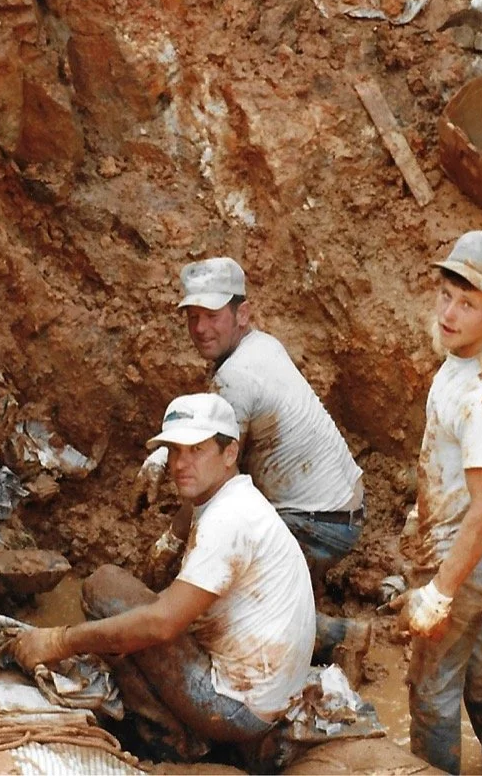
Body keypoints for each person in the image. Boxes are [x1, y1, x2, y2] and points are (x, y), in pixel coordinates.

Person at [9, 393, 315, 766]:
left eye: (196, 450)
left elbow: (162, 624)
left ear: (230, 453)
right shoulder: (237, 499)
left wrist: (59, 640)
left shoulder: (227, 519)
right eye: (174, 451)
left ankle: (171, 744)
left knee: (105, 589)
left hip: (236, 707)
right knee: (133, 612)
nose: (180, 464)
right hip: (267, 693)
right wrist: (171, 542)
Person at [140, 257, 370, 680]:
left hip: (319, 521)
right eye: (192, 317)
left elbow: (216, 477)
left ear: (241, 314)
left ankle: (340, 637)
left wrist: (173, 542)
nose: (200, 329)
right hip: (341, 505)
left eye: (212, 316)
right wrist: (161, 454)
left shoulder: (237, 377)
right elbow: (219, 428)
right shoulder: (261, 345)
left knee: (221, 601)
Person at [394, 230, 482, 775]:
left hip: (472, 556)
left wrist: (439, 592)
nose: (449, 313)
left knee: (431, 690)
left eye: (468, 303)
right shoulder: (469, 359)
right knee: (481, 671)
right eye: (446, 294)